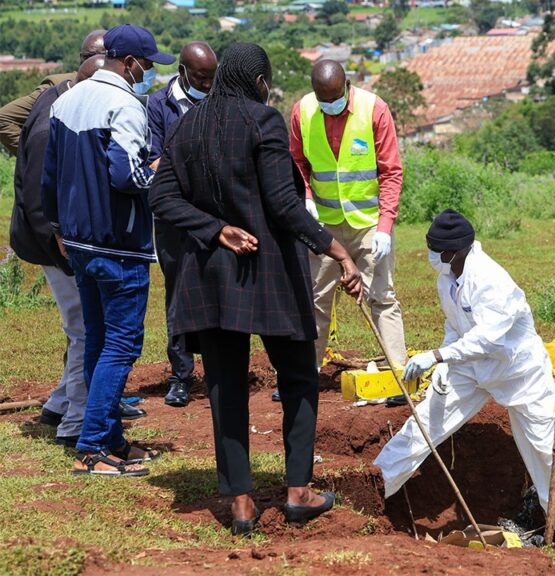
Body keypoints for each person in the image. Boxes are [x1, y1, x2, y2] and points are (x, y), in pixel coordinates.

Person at [150, 43, 363, 536]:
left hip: (211, 279)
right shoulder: (263, 121)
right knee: (299, 377)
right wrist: (337, 250)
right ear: (260, 82)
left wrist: (213, 229)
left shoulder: (187, 124)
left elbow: (160, 197)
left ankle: (242, 504)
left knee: (225, 388)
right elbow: (285, 206)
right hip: (268, 275)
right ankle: (298, 492)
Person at [374, 209, 555, 528]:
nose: (430, 256)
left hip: (519, 372)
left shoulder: (490, 280)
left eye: (435, 250)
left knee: (544, 448)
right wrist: (444, 363)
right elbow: (455, 325)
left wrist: (438, 356)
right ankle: (373, 489)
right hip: (469, 368)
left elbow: (486, 339)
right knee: (423, 425)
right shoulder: (447, 276)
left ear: (453, 252)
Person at [42, 24, 175, 477]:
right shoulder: (126, 105)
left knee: (98, 339)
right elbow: (126, 175)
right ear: (130, 63)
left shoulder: (67, 100)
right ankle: (93, 445)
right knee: (122, 343)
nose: (148, 72)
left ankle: (111, 437)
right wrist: (161, 172)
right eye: (147, 65)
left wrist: (58, 227)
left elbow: (50, 175)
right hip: (118, 244)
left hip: (78, 240)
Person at [286, 59, 406, 398]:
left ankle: (398, 376)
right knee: (315, 299)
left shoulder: (374, 109)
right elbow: (297, 162)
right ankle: (306, 374)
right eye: (323, 99)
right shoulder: (302, 111)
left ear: (347, 86)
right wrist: (306, 196)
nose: (330, 105)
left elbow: (391, 171)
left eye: (335, 98)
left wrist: (385, 226)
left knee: (382, 297)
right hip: (323, 224)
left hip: (368, 224)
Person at [9, 55, 105, 448]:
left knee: (80, 325)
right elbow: (37, 201)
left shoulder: (61, 101)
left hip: (56, 240)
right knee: (84, 328)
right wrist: (61, 243)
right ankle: (75, 424)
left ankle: (59, 403)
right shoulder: (51, 126)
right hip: (53, 245)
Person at [146, 41, 218, 407]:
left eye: (212, 77)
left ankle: (219, 369)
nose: (207, 84)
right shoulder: (159, 106)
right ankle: (181, 375)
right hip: (173, 219)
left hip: (214, 217)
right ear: (183, 72)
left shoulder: (218, 101)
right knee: (177, 293)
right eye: (201, 77)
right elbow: (153, 160)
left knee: (217, 288)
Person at [0, 29, 106, 155]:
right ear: (80, 59)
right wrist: (37, 155)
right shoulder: (58, 87)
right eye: (89, 57)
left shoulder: (121, 87)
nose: (94, 62)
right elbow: (3, 118)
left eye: (103, 57)